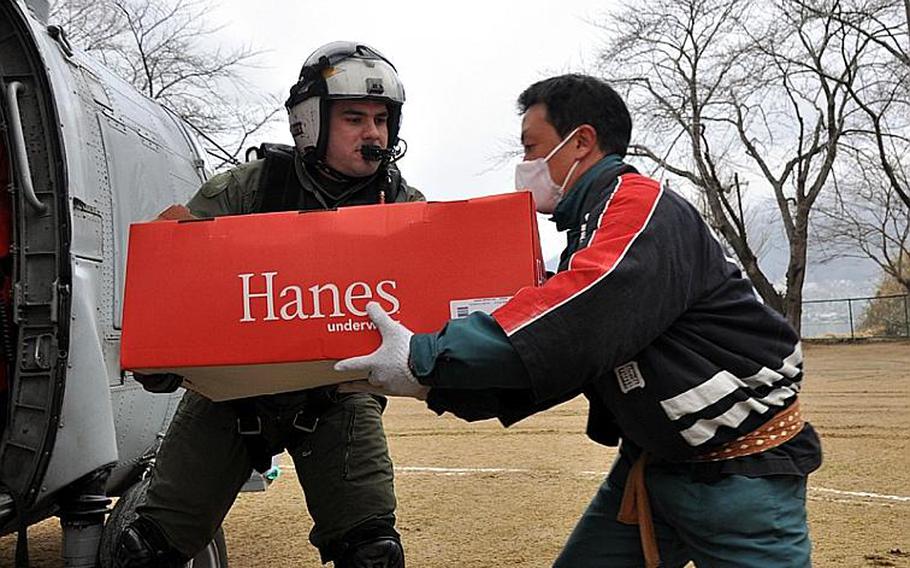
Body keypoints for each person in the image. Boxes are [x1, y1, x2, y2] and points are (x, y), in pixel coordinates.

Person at [336, 74, 822, 568]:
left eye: (531, 147)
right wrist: (434, 388)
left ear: (581, 141)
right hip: (653, 466)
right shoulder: (591, 229)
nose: (525, 165)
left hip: (739, 475)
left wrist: (425, 356)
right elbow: (560, 362)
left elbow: (576, 321)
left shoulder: (639, 206)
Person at [115, 42, 422, 568]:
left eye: (380, 119)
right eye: (354, 118)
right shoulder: (245, 192)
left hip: (338, 396)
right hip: (231, 400)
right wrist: (159, 352)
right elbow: (173, 289)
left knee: (373, 553)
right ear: (310, 122)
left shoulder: (407, 210)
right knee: (146, 553)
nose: (373, 134)